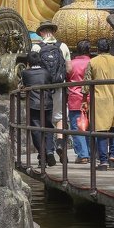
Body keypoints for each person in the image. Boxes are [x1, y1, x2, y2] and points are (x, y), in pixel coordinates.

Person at [86, 37, 114, 169]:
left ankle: (103, 161)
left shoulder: (92, 62)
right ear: (109, 48)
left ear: (97, 49)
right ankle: (113, 156)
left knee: (101, 129)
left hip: (100, 99)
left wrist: (84, 96)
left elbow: (85, 84)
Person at [31, 19, 70, 162]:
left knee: (44, 120)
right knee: (59, 117)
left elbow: (33, 68)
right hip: (59, 87)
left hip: (43, 89)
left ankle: (48, 151)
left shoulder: (37, 48)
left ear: (41, 32)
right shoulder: (63, 46)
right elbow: (69, 68)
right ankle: (60, 141)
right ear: (53, 31)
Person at [20, 50, 54, 169]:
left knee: (36, 129)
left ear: (28, 62)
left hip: (33, 104)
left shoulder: (25, 73)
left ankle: (42, 154)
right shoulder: (46, 72)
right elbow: (51, 83)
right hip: (48, 103)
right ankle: (49, 150)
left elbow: (24, 85)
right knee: (49, 127)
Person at [65, 39, 93, 164]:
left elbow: (66, 77)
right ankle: (90, 153)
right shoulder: (93, 62)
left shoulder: (71, 64)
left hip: (75, 98)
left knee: (78, 127)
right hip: (92, 99)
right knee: (90, 126)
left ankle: (83, 155)